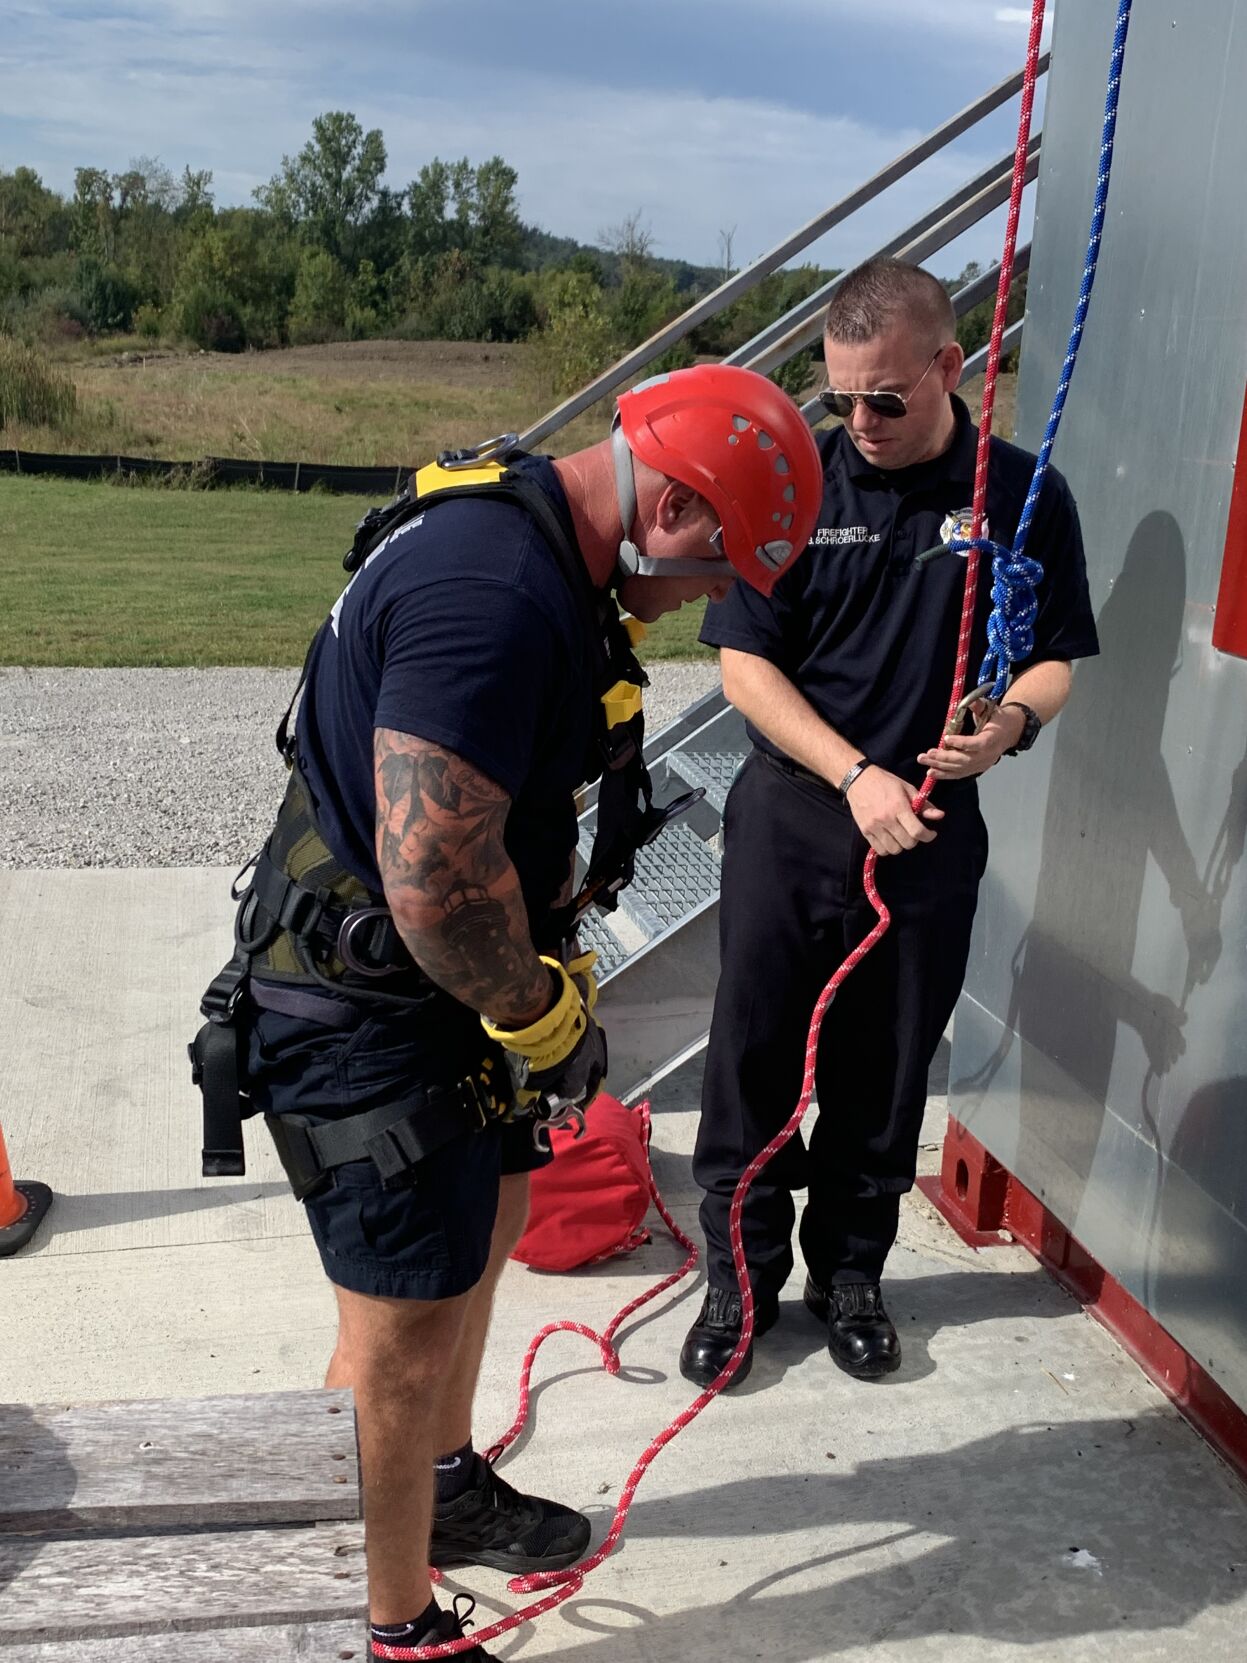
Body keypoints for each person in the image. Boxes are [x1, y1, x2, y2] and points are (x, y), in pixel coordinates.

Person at [192, 365, 823, 1662]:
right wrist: (537, 1013)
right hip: (367, 998)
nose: (699, 606)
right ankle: (383, 1621)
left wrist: (533, 974)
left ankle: (444, 1483)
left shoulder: (543, 534)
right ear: (686, 511)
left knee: (493, 1215)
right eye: (711, 579)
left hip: (446, 986)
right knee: (393, 1337)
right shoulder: (490, 592)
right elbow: (429, 881)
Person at [680, 259, 1100, 1391]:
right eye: (840, 399)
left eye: (883, 398)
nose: (859, 422)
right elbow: (741, 661)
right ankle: (739, 1275)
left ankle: (850, 1272)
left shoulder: (1018, 495)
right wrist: (852, 771)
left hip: (927, 828)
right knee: (753, 1052)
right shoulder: (797, 486)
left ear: (946, 366)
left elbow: (1056, 655)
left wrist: (1006, 722)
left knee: (887, 1058)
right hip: (793, 815)